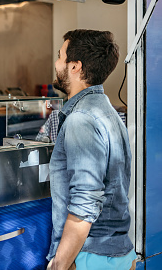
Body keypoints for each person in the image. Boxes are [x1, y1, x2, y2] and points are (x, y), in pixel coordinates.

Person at [47, 29, 135, 270]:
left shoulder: (81, 119)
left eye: (60, 56)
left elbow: (84, 203)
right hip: (116, 255)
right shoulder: (109, 112)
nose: (56, 64)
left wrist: (60, 265)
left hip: (90, 257)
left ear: (75, 67)